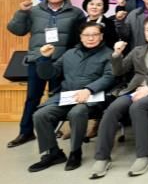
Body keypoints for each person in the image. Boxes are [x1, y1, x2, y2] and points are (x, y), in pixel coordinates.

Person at [89, 16, 148, 178]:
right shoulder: (137, 50)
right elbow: (119, 71)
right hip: (134, 90)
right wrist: (117, 55)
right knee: (112, 109)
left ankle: (143, 156)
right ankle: (102, 157)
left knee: (138, 107)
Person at [6, 0, 86, 148]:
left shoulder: (76, 13)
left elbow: (82, 37)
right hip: (38, 59)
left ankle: (52, 129)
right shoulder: (33, 11)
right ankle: (25, 132)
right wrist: (21, 12)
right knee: (32, 97)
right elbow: (16, 30)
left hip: (62, 61)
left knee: (56, 97)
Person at [28, 22, 115, 172]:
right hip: (68, 96)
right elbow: (49, 74)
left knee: (77, 112)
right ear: (80, 37)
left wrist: (89, 89)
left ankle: (75, 152)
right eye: (86, 35)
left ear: (101, 36)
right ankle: (53, 153)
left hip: (93, 99)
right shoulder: (69, 54)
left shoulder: (109, 54)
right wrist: (45, 59)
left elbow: (110, 76)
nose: (90, 38)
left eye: (95, 35)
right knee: (40, 115)